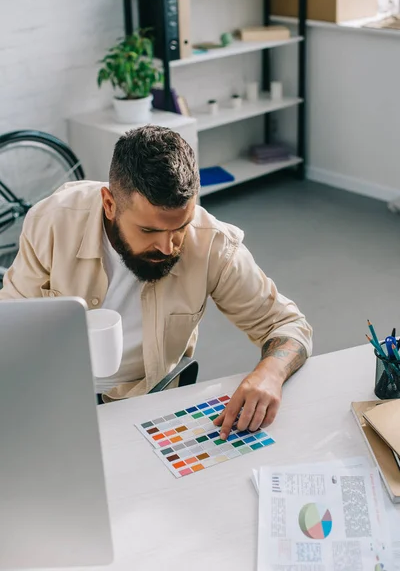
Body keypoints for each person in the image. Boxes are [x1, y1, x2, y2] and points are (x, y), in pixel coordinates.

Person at [0, 125, 312, 438]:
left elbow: (287, 325)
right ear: (109, 204)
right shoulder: (53, 221)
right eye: (149, 231)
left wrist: (270, 373)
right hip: (55, 392)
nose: (168, 247)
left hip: (146, 401)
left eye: (180, 228)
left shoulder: (213, 245)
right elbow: (11, 320)